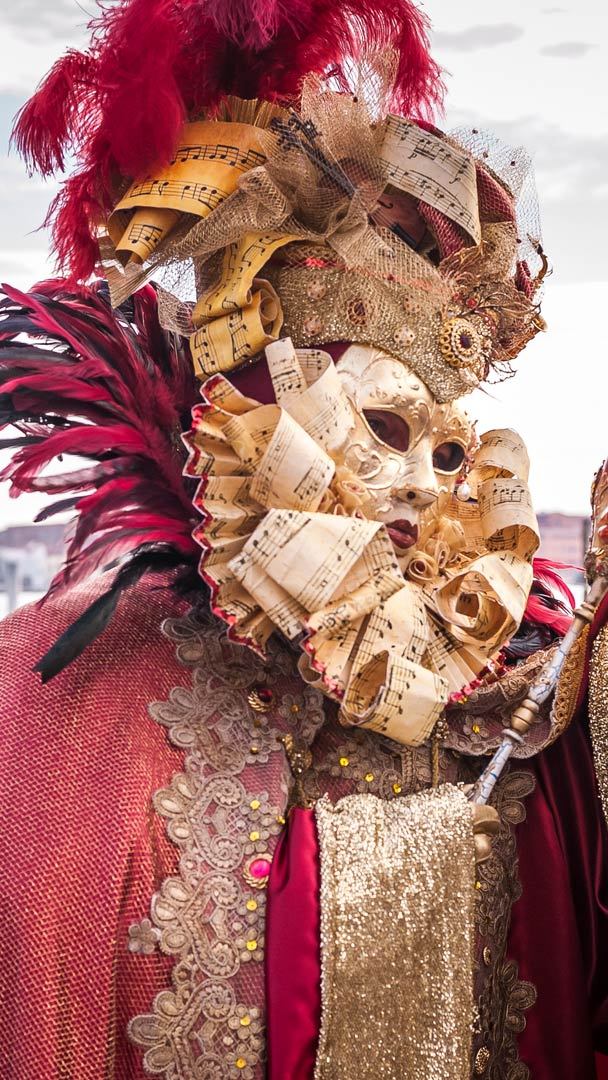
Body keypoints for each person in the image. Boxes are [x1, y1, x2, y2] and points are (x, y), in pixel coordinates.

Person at [1, 1, 607, 1077]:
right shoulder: (66, 698)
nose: (421, 487)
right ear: (265, 418)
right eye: (383, 429)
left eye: (449, 452)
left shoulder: (530, 681)